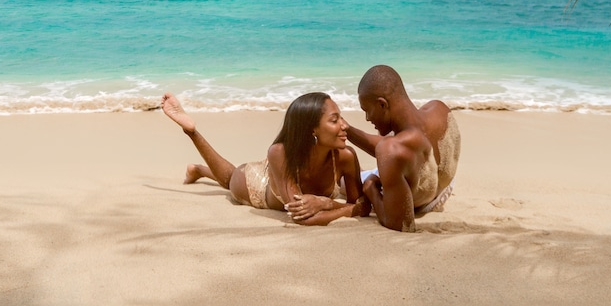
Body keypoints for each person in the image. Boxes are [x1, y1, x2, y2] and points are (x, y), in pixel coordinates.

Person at [161, 91, 367, 226]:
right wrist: (341, 208)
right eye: (334, 120)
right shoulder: (279, 152)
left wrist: (327, 204)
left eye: (341, 117)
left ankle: (199, 170)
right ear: (312, 129)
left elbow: (359, 204)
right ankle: (193, 135)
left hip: (280, 174)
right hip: (256, 184)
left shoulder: (346, 156)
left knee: (226, 177)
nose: (344, 125)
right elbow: (302, 217)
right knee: (230, 179)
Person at [345, 65, 462, 232]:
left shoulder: (392, 150)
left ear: (382, 104)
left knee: (345, 181)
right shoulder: (440, 109)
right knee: (393, 154)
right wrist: (349, 131)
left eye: (367, 111)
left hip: (413, 202)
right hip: (442, 191)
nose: (367, 118)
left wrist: (371, 190)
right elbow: (404, 148)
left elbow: (400, 224)